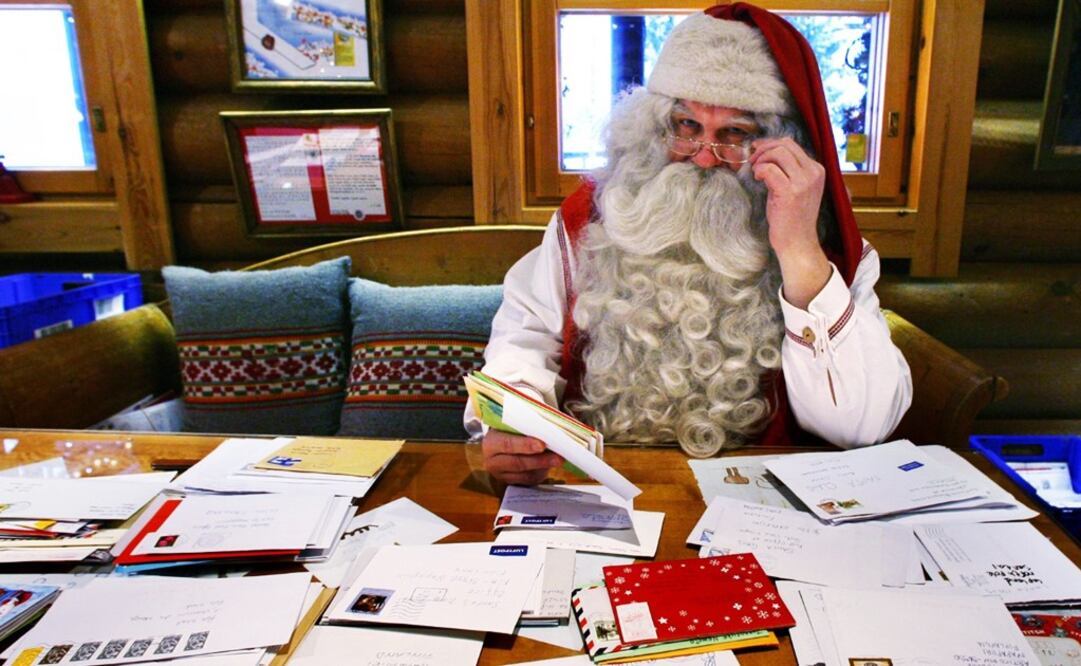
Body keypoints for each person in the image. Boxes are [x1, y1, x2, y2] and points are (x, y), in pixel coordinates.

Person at [466, 3, 912, 485]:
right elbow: (525, 339)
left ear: (781, 145)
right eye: (687, 127)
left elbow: (861, 428)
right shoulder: (587, 222)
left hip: (761, 502)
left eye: (735, 134)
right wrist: (515, 419)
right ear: (655, 125)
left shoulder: (831, 253)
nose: (703, 158)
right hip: (601, 489)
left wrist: (800, 253)